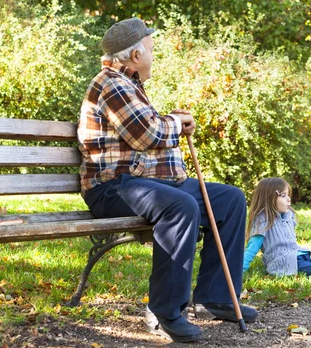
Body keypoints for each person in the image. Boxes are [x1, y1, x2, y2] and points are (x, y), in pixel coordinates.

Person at [77, 17, 257, 343]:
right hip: (112, 187)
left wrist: (172, 121)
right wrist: (175, 121)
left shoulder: (130, 85)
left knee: (230, 200)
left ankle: (215, 298)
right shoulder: (111, 84)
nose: (153, 56)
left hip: (144, 184)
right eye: (151, 49)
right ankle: (166, 311)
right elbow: (147, 135)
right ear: (135, 55)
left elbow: (148, 130)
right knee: (180, 206)